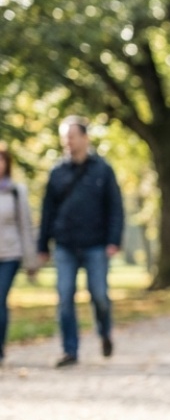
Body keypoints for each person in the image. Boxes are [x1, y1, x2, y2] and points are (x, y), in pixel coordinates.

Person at [37, 116, 125, 368]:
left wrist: (113, 240)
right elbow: (47, 211)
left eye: (72, 136)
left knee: (99, 294)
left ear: (85, 138)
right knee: (65, 296)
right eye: (65, 137)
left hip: (96, 243)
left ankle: (104, 332)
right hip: (65, 244)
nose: (68, 141)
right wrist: (43, 245)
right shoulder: (57, 172)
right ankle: (70, 350)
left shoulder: (103, 170)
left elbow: (115, 208)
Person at [0, 144, 40, 365]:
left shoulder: (16, 192)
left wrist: (31, 261)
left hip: (10, 254)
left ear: (7, 164)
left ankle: (0, 349)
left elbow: (25, 226)